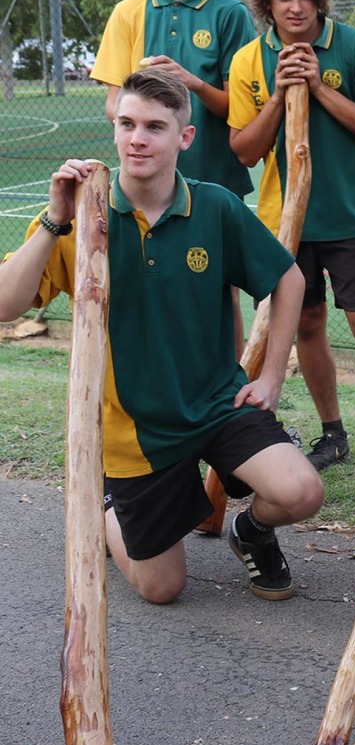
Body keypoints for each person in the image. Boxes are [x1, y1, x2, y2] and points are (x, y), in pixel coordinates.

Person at [0, 69, 324, 604]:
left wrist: (269, 377)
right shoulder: (85, 213)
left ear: (184, 137)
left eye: (154, 126)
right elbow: (7, 304)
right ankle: (109, 507)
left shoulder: (215, 206)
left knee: (302, 492)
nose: (137, 138)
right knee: (162, 588)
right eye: (126, 124)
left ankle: (251, 532)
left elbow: (289, 278)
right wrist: (57, 219)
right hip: (135, 430)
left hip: (218, 404)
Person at [228, 0, 355, 473]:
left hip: (349, 215)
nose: (296, 7)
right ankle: (333, 433)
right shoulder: (249, 61)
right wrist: (279, 96)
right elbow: (244, 150)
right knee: (306, 323)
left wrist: (321, 88)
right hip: (286, 221)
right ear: (267, 4)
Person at [90, 0, 256, 358]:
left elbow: (238, 111)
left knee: (221, 290)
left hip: (212, 177)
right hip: (143, 181)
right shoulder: (129, 12)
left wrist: (190, 83)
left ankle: (227, 393)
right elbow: (111, 104)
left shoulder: (229, 14)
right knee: (142, 287)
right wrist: (147, 110)